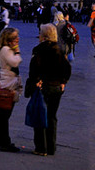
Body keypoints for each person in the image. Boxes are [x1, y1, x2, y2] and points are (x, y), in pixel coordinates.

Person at [25, 23, 71, 157]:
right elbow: (67, 68)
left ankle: (41, 147)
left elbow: (34, 69)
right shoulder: (59, 49)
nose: (39, 35)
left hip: (43, 87)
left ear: (44, 36)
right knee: (52, 117)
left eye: (40, 33)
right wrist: (63, 82)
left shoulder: (39, 50)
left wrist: (35, 81)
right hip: (56, 88)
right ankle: (51, 147)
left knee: (40, 116)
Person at [0, 27, 23, 152]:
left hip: (8, 81)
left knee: (3, 114)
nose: (18, 39)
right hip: (8, 83)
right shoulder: (6, 50)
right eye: (15, 37)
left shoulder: (6, 49)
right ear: (9, 39)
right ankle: (4, 141)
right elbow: (15, 62)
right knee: (4, 114)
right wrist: (17, 52)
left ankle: (0, 139)